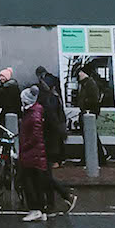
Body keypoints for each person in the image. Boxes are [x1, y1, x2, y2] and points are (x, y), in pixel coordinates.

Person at [34, 63, 74, 202]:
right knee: (45, 173)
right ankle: (51, 201)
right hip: (50, 139)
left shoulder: (47, 101)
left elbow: (51, 122)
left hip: (47, 142)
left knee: (45, 174)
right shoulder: (53, 97)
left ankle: (62, 196)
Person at [17, 85, 51, 222]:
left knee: (28, 181)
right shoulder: (35, 111)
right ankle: (41, 210)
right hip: (35, 153)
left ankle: (34, 209)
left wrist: (24, 147)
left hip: (32, 153)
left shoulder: (33, 115)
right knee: (36, 182)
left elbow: (35, 136)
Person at [77, 66, 110, 167]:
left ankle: (97, 157)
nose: (79, 74)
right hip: (86, 113)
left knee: (90, 136)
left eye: (80, 72)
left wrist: (87, 108)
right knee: (91, 136)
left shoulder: (90, 84)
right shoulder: (85, 84)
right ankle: (99, 156)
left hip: (89, 113)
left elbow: (94, 99)